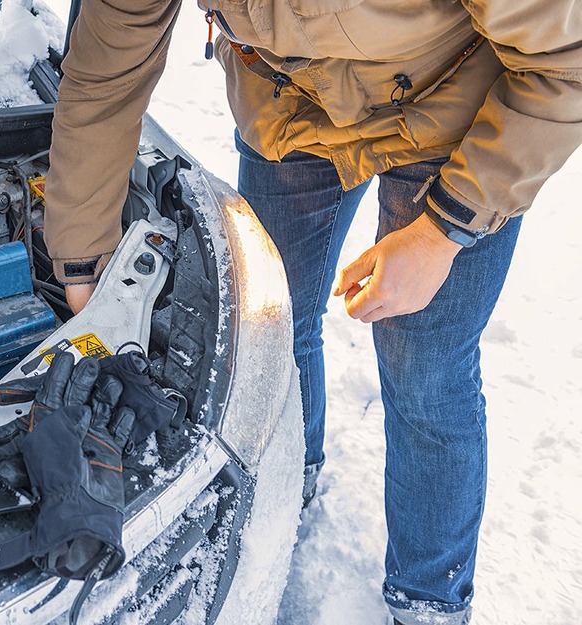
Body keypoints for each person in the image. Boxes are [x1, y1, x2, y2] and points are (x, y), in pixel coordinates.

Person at [40, 1, 582, 624]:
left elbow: (564, 61)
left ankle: (430, 599)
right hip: (290, 110)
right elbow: (105, 74)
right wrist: (81, 261)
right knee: (273, 325)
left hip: (457, 113)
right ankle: (288, 473)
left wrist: (441, 233)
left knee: (427, 371)